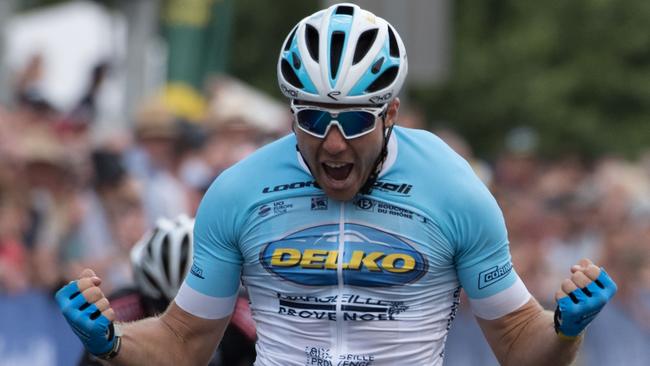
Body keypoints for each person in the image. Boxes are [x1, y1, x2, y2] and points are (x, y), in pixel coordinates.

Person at [55, 3, 617, 365]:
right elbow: (183, 340)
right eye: (311, 118)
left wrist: (564, 329)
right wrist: (113, 340)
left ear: (390, 113)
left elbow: (519, 339)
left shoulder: (452, 187)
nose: (332, 144)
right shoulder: (240, 190)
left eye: (352, 122)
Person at [78, 214, 255, 365]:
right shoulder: (119, 307)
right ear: (143, 294)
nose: (176, 329)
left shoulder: (243, 314)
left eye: (192, 311)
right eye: (160, 309)